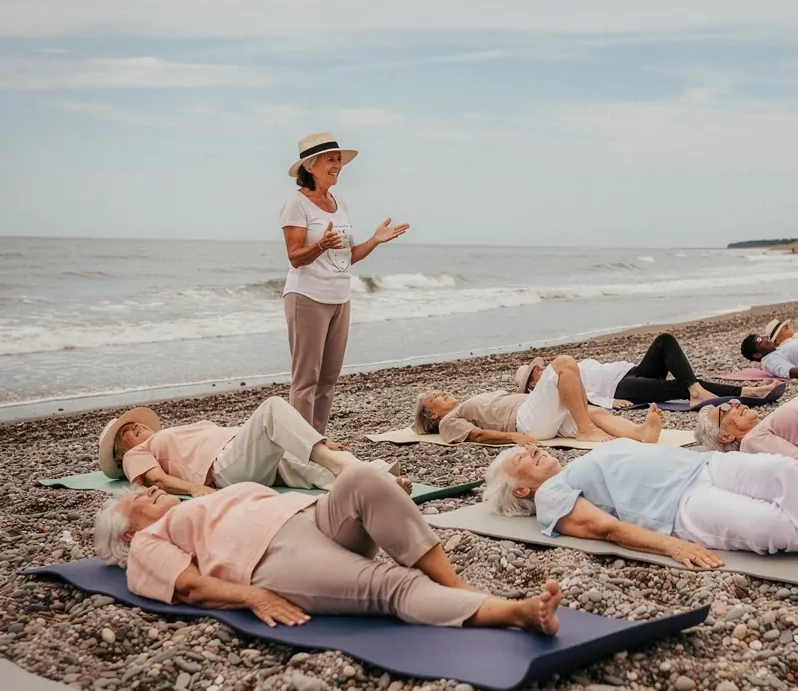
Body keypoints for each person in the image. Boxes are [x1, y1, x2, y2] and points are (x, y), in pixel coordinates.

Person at [93, 467, 561, 633]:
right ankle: (513, 613)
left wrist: (374, 498)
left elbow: (286, 501)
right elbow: (192, 589)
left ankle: (457, 587)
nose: (148, 491)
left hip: (308, 518)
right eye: (138, 499)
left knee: (363, 479)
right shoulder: (148, 545)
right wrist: (251, 597)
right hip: (271, 560)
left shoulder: (204, 500)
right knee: (391, 584)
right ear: (128, 534)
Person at [483, 440, 798, 566]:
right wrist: (669, 548)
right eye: (519, 458)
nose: (530, 449)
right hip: (681, 509)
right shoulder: (551, 496)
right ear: (521, 488)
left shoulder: (571, 463)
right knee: (773, 529)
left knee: (789, 474)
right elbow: (603, 530)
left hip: (704, 465)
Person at [281, 131, 410, 433]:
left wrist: (375, 240)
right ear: (311, 165)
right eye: (331, 159)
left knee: (328, 379)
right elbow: (295, 257)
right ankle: (302, 450)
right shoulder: (296, 204)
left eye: (340, 159)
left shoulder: (339, 202)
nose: (338, 164)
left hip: (340, 298)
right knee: (306, 380)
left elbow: (347, 257)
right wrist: (320, 246)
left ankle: (319, 442)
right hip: (307, 298)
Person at [99, 396, 404, 497]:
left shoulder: (174, 433)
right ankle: (335, 461)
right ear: (120, 451)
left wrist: (311, 442)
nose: (135, 426)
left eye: (135, 423)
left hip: (248, 455)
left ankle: (383, 484)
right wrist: (192, 489)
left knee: (320, 467)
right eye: (126, 431)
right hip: (223, 469)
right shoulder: (136, 455)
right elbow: (155, 479)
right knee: (272, 406)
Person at [413, 356, 665, 446]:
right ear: (433, 415)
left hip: (539, 417)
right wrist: (513, 437)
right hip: (525, 422)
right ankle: (585, 431)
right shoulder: (449, 421)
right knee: (564, 363)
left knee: (596, 413)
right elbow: (476, 435)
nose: (441, 393)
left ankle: (640, 433)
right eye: (435, 398)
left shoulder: (465, 404)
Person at [515, 333, 780, 409]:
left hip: (631, 373)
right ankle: (747, 392)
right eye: (534, 372)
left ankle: (697, 390)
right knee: (681, 386)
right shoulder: (552, 387)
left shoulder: (559, 368)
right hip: (621, 389)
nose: (540, 369)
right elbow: (579, 397)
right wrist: (608, 402)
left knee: (664, 340)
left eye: (537, 367)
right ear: (532, 386)